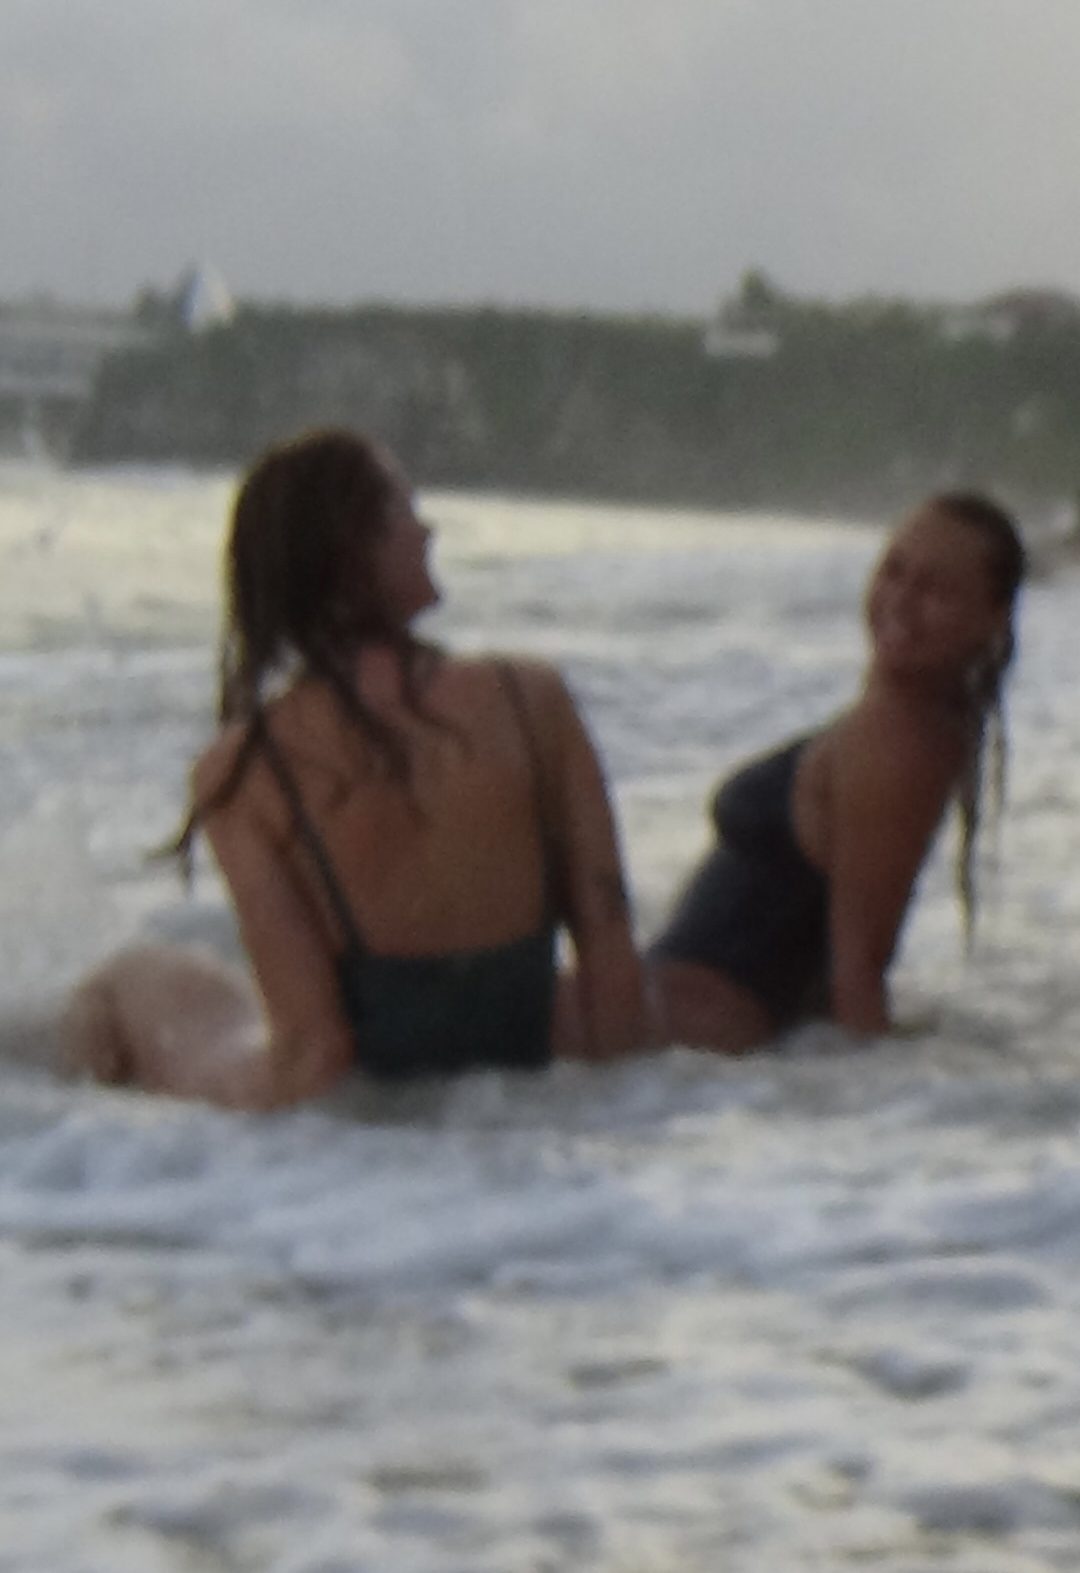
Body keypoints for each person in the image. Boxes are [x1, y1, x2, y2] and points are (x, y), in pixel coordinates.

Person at [63, 428, 647, 1106]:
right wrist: (612, 1116)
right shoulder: (530, 699)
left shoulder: (248, 766)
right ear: (349, 553)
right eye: (402, 511)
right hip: (511, 1065)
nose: (427, 531)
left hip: (350, 1142)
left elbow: (317, 1053)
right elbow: (614, 975)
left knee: (125, 980)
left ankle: (77, 1159)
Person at [648, 491, 1026, 1051]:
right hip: (685, 1026)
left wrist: (866, 1108)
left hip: (686, 1024)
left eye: (935, 589)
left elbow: (858, 971)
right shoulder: (920, 729)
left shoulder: (895, 742)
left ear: (990, 619)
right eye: (894, 571)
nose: (901, 599)